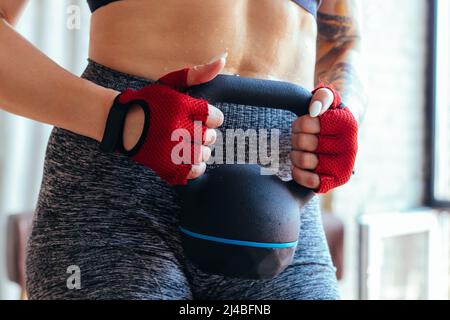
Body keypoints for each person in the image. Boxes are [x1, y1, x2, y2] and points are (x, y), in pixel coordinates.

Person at [0, 0, 366, 299]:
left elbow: (342, 42)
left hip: (277, 198)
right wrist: (119, 119)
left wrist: (342, 116)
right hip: (120, 179)